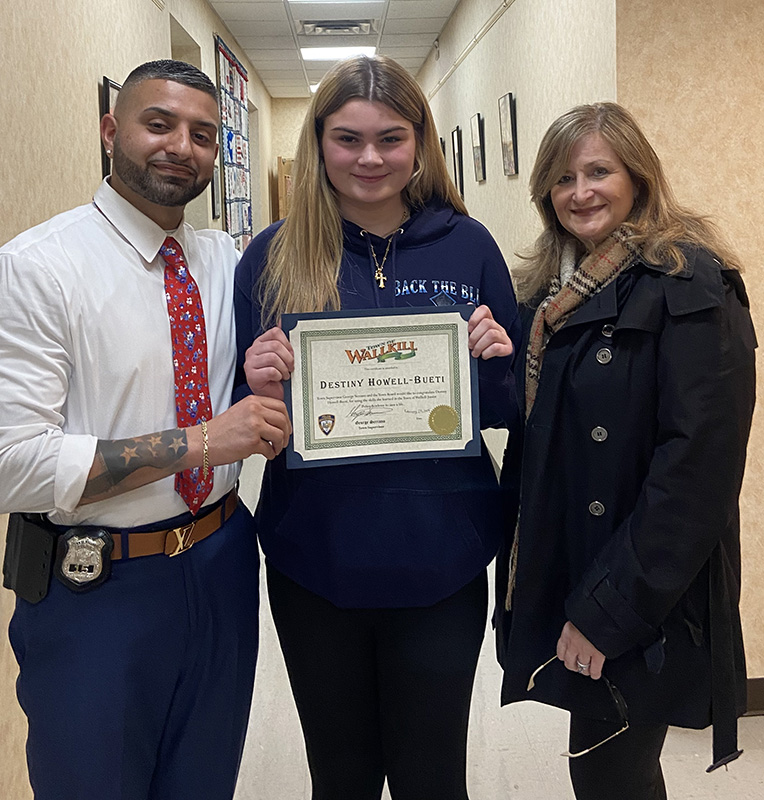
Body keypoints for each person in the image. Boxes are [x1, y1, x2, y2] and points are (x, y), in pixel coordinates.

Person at [0, 60, 291, 800]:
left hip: (222, 562)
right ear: (110, 130)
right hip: (98, 587)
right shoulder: (39, 270)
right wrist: (202, 442)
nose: (180, 147)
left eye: (201, 133)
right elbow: (12, 465)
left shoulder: (226, 262)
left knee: (204, 784)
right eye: (158, 125)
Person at [234, 55, 520, 800]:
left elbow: (503, 407)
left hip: (442, 560)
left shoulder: (469, 245)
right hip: (314, 561)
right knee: (342, 777)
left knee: (433, 780)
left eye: (390, 138)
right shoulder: (270, 255)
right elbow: (253, 423)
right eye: (348, 139)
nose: (369, 158)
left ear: (421, 144)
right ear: (320, 143)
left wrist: (492, 360)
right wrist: (260, 382)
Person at [495, 101, 756, 799]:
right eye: (563, 177)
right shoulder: (549, 293)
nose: (580, 192)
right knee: (614, 773)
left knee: (609, 774)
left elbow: (697, 472)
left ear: (637, 175)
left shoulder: (692, 285)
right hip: (580, 564)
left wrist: (609, 611)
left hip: (643, 587)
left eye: (599, 171)